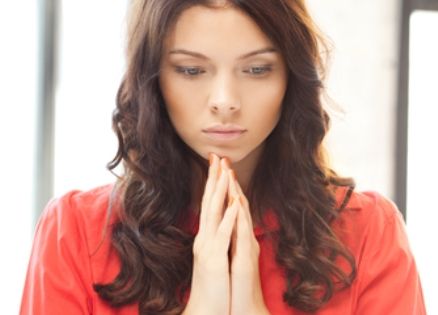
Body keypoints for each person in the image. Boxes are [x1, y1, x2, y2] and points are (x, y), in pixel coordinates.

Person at [20, 0, 427, 314]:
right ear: (152, 79)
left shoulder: (367, 233)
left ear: (292, 77)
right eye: (192, 71)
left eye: (257, 70)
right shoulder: (74, 234)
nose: (225, 102)